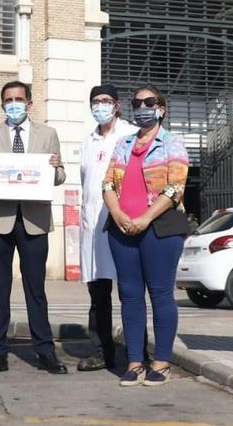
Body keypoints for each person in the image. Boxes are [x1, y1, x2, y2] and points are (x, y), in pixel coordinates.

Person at [0, 81, 67, 375]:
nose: (14, 104)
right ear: (3, 105)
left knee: (35, 290)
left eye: (19, 99)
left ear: (30, 103)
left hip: (34, 220)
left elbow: (60, 175)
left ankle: (45, 351)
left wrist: (55, 168)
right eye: (9, 100)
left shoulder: (48, 134)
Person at [101, 85, 190, 387]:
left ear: (161, 108)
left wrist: (144, 219)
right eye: (137, 103)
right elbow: (108, 184)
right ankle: (135, 361)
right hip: (122, 230)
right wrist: (119, 216)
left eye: (149, 102)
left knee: (161, 294)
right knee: (129, 296)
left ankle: (162, 361)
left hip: (159, 230)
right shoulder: (124, 144)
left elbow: (174, 188)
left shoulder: (172, 143)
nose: (142, 107)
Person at [76, 84, 137, 372]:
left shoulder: (129, 134)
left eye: (106, 101)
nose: (100, 106)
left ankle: (137, 352)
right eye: (96, 101)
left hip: (122, 223)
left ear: (117, 104)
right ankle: (102, 351)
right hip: (92, 227)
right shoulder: (88, 140)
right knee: (98, 295)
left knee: (129, 291)